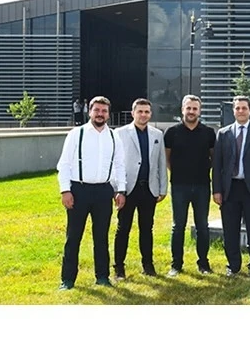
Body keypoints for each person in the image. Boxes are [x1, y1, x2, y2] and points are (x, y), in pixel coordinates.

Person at [56, 95, 126, 290]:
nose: (100, 114)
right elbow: (64, 164)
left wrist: (120, 190)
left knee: (101, 237)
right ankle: (67, 280)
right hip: (79, 190)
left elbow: (119, 165)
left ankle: (102, 277)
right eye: (97, 110)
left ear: (108, 114)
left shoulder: (114, 136)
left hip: (104, 191)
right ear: (90, 112)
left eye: (104, 111)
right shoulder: (76, 134)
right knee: (73, 237)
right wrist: (65, 190)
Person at [212, 95, 250, 277]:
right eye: (237, 108)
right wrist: (217, 190)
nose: (241, 111)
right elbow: (217, 164)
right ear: (233, 111)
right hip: (230, 189)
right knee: (230, 230)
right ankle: (233, 265)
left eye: (244, 108)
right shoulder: (223, 133)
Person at [112, 98, 167, 279]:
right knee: (123, 228)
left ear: (150, 114)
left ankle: (148, 265)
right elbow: (115, 163)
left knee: (147, 229)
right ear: (133, 113)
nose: (143, 115)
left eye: (146, 112)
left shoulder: (157, 134)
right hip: (127, 189)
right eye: (140, 111)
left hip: (148, 189)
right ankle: (119, 268)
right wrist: (117, 189)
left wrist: (162, 188)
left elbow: (161, 163)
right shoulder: (120, 133)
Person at [164, 95, 216, 276]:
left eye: (195, 108)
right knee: (178, 226)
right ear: (182, 110)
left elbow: (213, 157)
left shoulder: (209, 133)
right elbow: (167, 158)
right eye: (188, 108)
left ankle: (203, 264)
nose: (191, 111)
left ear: (199, 111)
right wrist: (178, 173)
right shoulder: (172, 132)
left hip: (202, 186)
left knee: (202, 226)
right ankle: (176, 265)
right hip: (179, 186)